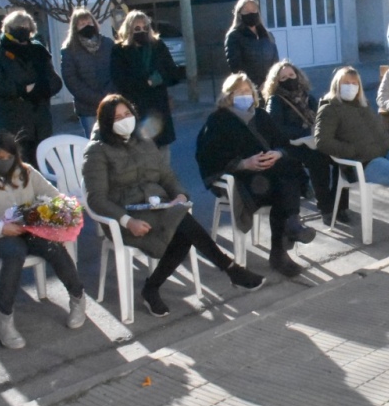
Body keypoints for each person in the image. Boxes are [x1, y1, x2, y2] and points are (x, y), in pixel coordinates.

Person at [83, 95, 264, 318]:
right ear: (106, 122)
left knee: (183, 224)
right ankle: (229, 269)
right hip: (126, 214)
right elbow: (96, 199)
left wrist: (179, 194)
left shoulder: (144, 141)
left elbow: (167, 176)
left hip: (157, 206)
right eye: (117, 117)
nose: (124, 120)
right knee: (185, 229)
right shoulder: (97, 151)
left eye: (127, 114)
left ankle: (153, 288)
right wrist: (127, 221)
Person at [0, 132, 86, 349]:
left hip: (31, 230)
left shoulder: (26, 172)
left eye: (8, 158)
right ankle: (4, 318)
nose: (4, 163)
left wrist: (48, 211)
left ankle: (77, 296)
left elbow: (54, 195)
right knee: (14, 253)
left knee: (53, 247)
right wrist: (0, 227)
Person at [197, 74, 318, 277]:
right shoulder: (218, 120)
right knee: (285, 183)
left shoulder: (261, 116)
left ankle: (286, 236)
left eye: (248, 91)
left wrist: (277, 154)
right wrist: (244, 163)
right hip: (241, 178)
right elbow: (208, 156)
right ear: (228, 96)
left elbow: (282, 142)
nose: (245, 96)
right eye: (239, 92)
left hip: (270, 176)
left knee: (284, 178)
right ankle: (287, 237)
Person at [314, 66, 389, 245]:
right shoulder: (329, 109)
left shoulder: (362, 106)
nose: (351, 87)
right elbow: (322, 141)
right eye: (346, 83)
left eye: (354, 83)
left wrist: (388, 142)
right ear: (337, 85)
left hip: (386, 152)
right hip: (364, 162)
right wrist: (352, 151)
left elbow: (379, 132)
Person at [263, 60, 350, 223]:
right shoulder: (275, 100)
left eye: (291, 75)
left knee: (343, 157)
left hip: (314, 140)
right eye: (283, 78)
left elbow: (322, 117)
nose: (288, 79)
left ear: (298, 75)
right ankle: (326, 208)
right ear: (276, 82)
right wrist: (304, 133)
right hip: (292, 146)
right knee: (318, 160)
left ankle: (340, 204)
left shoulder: (308, 97)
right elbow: (275, 128)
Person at [0, 10, 62, 164]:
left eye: (26, 27)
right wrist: (22, 90)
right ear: (8, 28)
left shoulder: (38, 50)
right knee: (15, 166)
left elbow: (55, 82)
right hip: (12, 121)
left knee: (40, 166)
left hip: (39, 121)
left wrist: (40, 88)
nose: (23, 30)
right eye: (18, 27)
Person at [110, 11, 181, 150]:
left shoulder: (158, 46)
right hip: (136, 106)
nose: (141, 31)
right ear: (129, 29)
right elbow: (119, 79)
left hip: (158, 107)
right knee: (140, 151)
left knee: (162, 153)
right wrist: (145, 83)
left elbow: (174, 73)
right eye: (137, 28)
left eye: (145, 27)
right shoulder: (119, 50)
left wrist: (159, 78)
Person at [60, 9, 114, 138]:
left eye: (89, 22)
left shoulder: (108, 44)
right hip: (87, 108)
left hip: (111, 103)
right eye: (82, 24)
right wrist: (96, 98)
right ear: (75, 27)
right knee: (94, 143)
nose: (87, 26)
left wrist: (108, 94)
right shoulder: (69, 49)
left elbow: (117, 70)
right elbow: (71, 80)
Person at [224, 0, 279, 89]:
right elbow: (236, 67)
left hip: (270, 87)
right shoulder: (234, 36)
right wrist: (254, 86)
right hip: (249, 90)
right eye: (246, 11)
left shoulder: (268, 35)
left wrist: (270, 82)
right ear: (239, 14)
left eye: (254, 9)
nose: (251, 13)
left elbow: (276, 62)